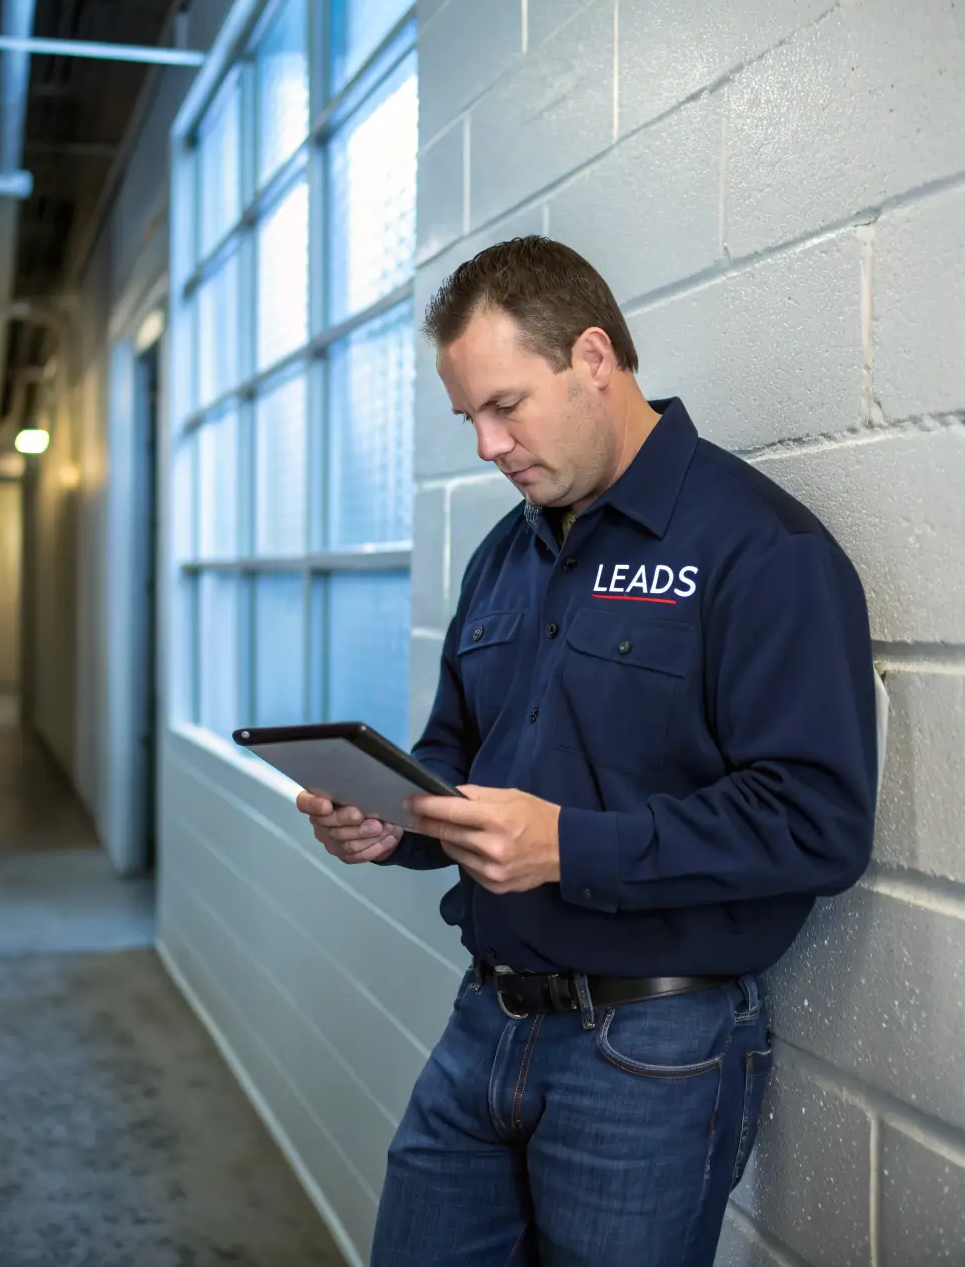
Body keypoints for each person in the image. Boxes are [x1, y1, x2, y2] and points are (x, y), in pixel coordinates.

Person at [297, 237, 878, 1267]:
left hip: (651, 1050)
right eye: (469, 418)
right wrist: (393, 821)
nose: (488, 446)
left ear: (594, 358)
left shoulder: (757, 549)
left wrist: (569, 846)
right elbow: (455, 757)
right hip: (484, 1020)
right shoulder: (505, 553)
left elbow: (817, 824)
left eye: (505, 406)